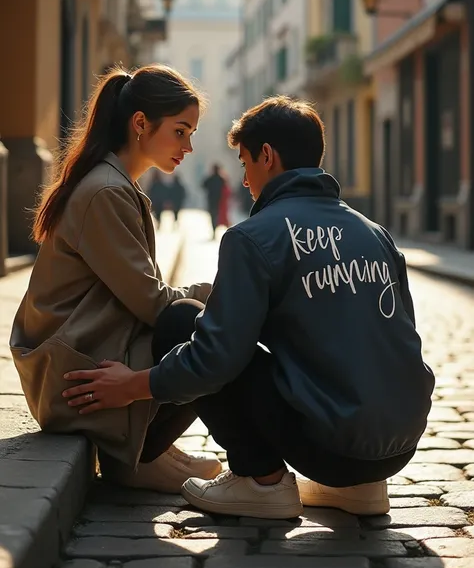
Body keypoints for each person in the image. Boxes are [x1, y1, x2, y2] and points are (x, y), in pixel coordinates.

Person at [61, 96, 435, 519]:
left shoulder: (253, 237)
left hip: (329, 450)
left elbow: (215, 358)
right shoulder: (375, 233)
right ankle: (364, 489)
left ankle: (262, 480)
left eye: (244, 164)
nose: (243, 181)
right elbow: (402, 337)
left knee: (182, 319)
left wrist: (133, 385)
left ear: (267, 156)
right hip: (402, 447)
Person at [9, 64, 223, 494]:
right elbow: (154, 305)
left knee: (200, 319)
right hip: (74, 380)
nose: (189, 147)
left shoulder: (114, 183)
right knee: (200, 325)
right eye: (181, 131)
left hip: (80, 359)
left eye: (192, 134)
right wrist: (227, 291)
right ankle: (138, 456)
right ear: (141, 124)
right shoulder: (107, 191)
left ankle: (151, 445)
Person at [202, 164, 225, 238]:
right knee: (217, 216)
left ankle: (214, 230)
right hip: (219, 200)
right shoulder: (221, 179)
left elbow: (203, 185)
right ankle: (215, 229)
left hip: (212, 200)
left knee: (213, 216)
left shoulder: (211, 178)